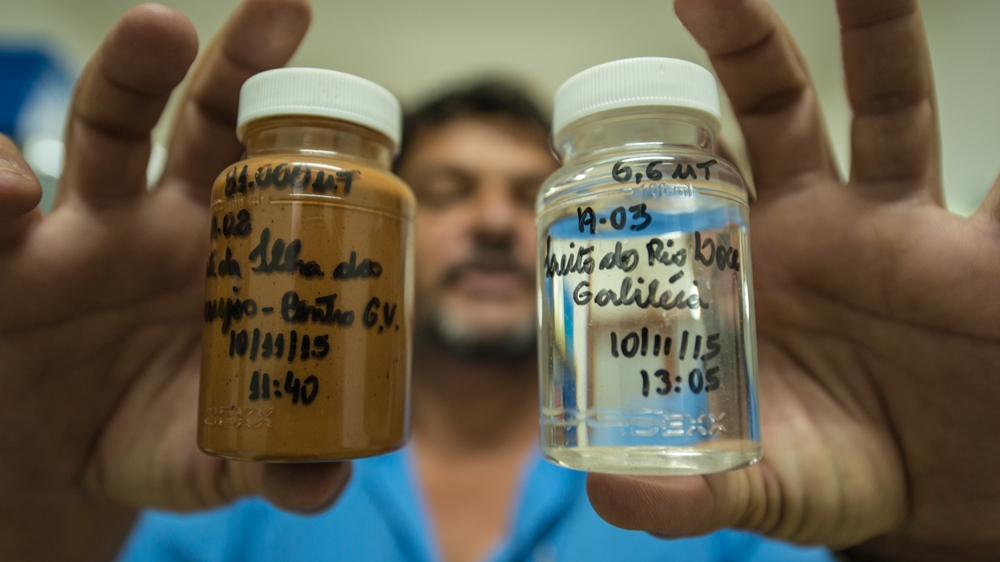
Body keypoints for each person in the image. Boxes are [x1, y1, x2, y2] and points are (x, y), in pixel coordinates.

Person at [0, 0, 996, 561]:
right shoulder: (209, 484)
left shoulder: (723, 489)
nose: (490, 221)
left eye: (529, 195)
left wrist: (942, 542)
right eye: (445, 191)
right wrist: (34, 519)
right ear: (378, 231)